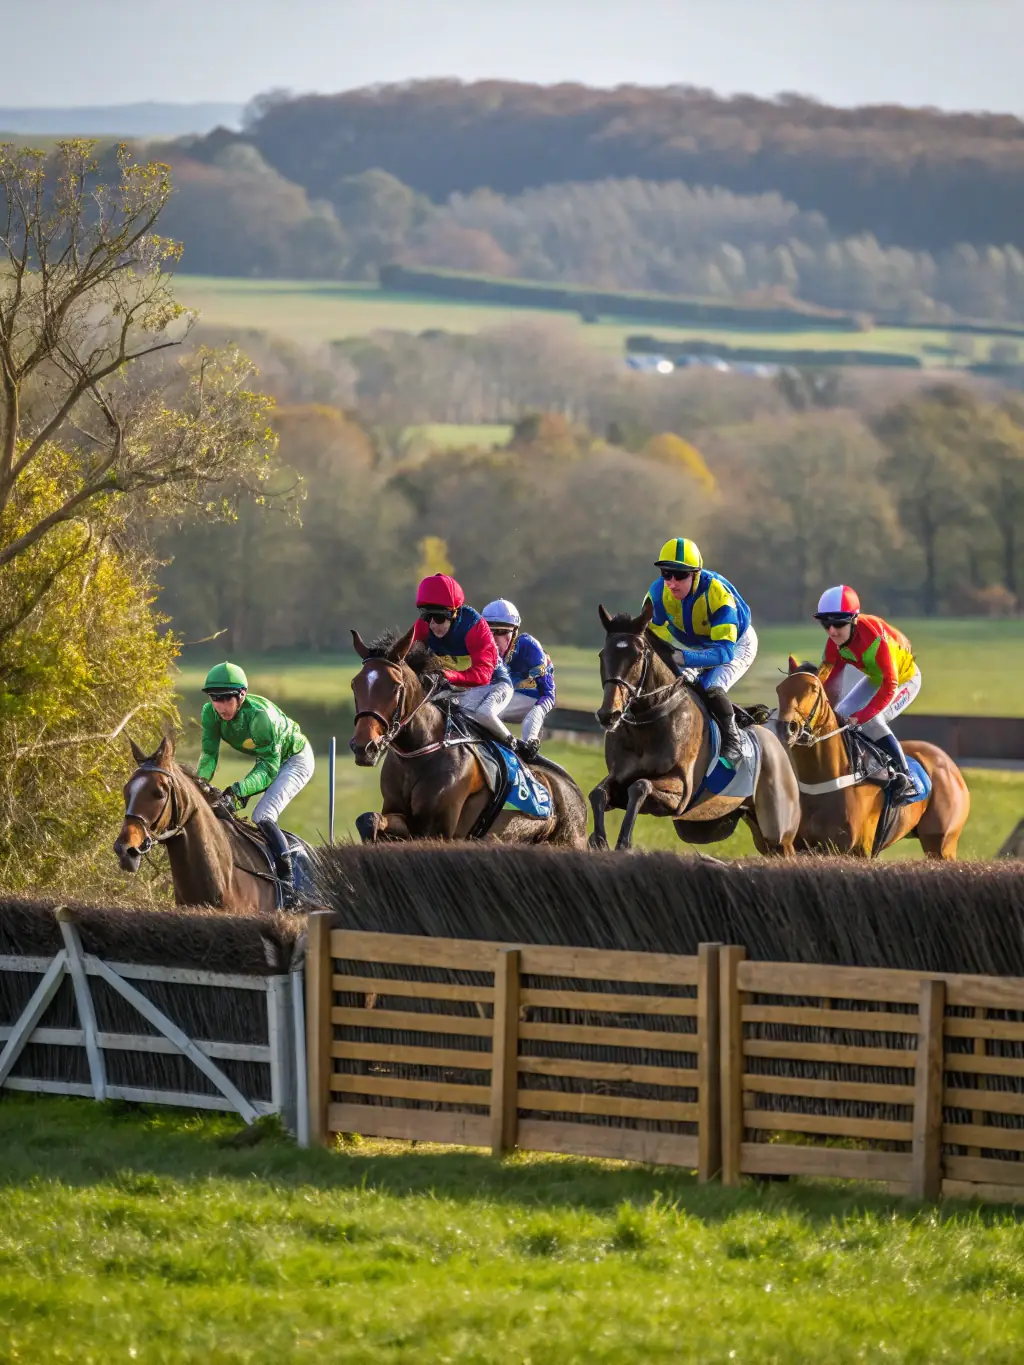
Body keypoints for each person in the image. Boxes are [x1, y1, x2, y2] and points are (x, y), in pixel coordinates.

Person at [197, 662, 314, 907]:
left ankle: (290, 887)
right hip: (270, 761)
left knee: (263, 814)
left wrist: (239, 791)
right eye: (214, 698)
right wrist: (198, 785)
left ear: (241, 695)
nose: (219, 706)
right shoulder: (209, 713)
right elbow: (209, 756)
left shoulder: (261, 717)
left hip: (295, 760)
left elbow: (269, 769)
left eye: (226, 698)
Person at [643, 536, 757, 765]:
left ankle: (733, 741)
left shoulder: (717, 595)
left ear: (696, 574)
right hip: (697, 644)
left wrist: (682, 658)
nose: (672, 583)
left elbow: (724, 653)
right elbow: (647, 636)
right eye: (666, 574)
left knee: (712, 687)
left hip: (735, 645)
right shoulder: (657, 593)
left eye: (680, 575)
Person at [814, 585, 921, 800]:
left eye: (839, 623)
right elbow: (828, 679)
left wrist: (861, 716)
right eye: (826, 623)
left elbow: (890, 685)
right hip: (875, 678)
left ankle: (906, 778)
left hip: (903, 681)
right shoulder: (834, 642)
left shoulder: (874, 638)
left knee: (871, 721)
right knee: (841, 715)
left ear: (854, 619)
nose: (832, 630)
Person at [412, 574, 524, 755]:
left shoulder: (475, 627)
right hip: (457, 687)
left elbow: (482, 675)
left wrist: (447, 676)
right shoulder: (424, 626)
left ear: (454, 613)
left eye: (439, 618)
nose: (432, 624)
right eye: (427, 616)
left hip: (493, 684)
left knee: (482, 714)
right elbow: (407, 657)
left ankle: (515, 746)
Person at [481, 599, 554, 759]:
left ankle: (528, 748)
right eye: (488, 631)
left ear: (514, 632)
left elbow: (548, 693)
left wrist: (533, 732)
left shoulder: (528, 645)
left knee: (485, 712)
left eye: (501, 632)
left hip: (533, 700)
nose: (493, 638)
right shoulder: (483, 648)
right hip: (506, 696)